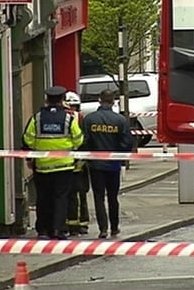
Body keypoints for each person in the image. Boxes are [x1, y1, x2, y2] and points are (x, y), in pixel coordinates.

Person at [22, 86, 84, 239]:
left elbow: (27, 140)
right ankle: (58, 229)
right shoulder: (69, 119)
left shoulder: (36, 118)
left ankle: (43, 230)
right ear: (63, 101)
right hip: (64, 166)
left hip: (42, 166)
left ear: (46, 100)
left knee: (43, 198)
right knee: (61, 198)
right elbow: (79, 140)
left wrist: (30, 159)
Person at [82, 89, 133, 239]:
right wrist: (119, 153)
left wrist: (88, 155)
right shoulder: (120, 120)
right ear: (114, 101)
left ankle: (103, 228)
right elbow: (127, 143)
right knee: (113, 197)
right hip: (113, 165)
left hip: (96, 164)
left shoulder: (89, 119)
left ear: (99, 100)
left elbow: (84, 141)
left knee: (98, 197)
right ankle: (115, 227)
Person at [63, 91, 91, 236]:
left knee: (80, 195)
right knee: (69, 195)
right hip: (66, 163)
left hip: (77, 164)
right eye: (71, 106)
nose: (72, 109)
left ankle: (81, 223)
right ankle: (71, 223)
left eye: (75, 106)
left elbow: (84, 140)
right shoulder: (68, 119)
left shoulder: (79, 118)